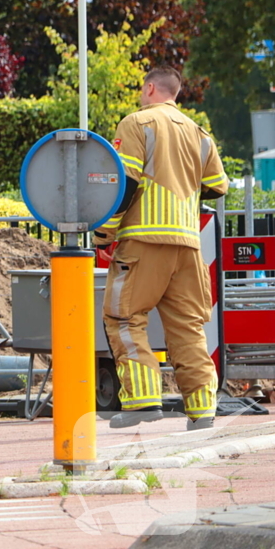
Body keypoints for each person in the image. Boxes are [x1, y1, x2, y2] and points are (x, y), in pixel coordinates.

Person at [93, 66, 229, 431]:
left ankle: (142, 401)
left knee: (124, 317)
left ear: (151, 88)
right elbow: (218, 186)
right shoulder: (200, 134)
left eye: (142, 88)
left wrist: (104, 235)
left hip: (144, 241)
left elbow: (126, 183)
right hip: (187, 245)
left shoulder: (137, 123)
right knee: (188, 329)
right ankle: (202, 411)